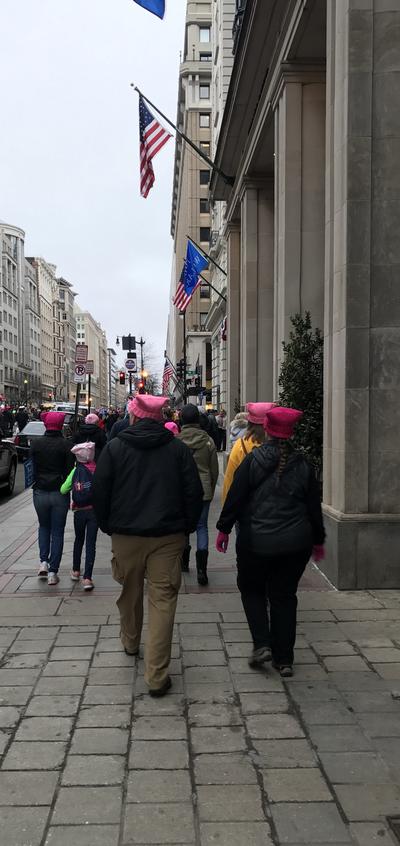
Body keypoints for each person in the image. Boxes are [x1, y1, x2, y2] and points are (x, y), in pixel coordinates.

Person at [93, 394, 203, 697]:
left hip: (126, 534)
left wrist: (106, 525)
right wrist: (187, 528)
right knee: (163, 600)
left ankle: (130, 641)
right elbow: (193, 492)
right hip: (167, 536)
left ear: (134, 417)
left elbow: (100, 491)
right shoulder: (178, 450)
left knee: (129, 592)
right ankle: (156, 675)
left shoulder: (115, 448)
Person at [216, 407, 325, 677]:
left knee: (252, 590)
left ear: (267, 429)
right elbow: (314, 506)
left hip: (257, 541)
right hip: (295, 543)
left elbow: (235, 498)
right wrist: (318, 540)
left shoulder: (252, 461)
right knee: (284, 596)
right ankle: (284, 658)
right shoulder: (303, 465)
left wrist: (224, 529)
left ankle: (262, 643)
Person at [29, 412, 74, 585]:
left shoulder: (36, 444)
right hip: (59, 492)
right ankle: (53, 572)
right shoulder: (66, 445)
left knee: (44, 526)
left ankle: (43, 562)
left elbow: (31, 466)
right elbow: (70, 470)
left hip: (40, 491)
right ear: (60, 425)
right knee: (58, 531)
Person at [178, 404, 219, 585]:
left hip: (183, 490)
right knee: (202, 526)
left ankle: (184, 563)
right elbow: (214, 470)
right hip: (203, 488)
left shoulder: (177, 441)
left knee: (185, 526)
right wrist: (209, 486)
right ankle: (202, 570)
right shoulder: (208, 441)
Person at [61, 441, 98, 591]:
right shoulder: (97, 468)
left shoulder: (76, 470)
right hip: (94, 511)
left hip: (79, 511)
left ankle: (76, 570)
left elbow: (63, 489)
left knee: (79, 540)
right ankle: (88, 578)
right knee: (91, 544)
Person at [222, 402, 275, 504]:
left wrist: (227, 509)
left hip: (249, 507)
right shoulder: (282, 446)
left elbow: (230, 480)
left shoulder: (240, 445)